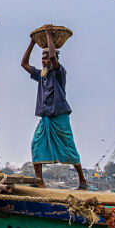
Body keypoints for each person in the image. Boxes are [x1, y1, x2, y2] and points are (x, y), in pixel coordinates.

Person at [21, 26, 87, 190]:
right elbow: (23, 63)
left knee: (69, 147)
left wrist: (49, 36)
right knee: (36, 144)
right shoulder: (41, 75)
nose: (45, 60)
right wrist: (32, 43)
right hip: (45, 118)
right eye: (42, 58)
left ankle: (83, 181)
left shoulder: (59, 72)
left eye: (48, 58)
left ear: (55, 59)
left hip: (60, 116)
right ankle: (39, 181)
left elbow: (52, 56)